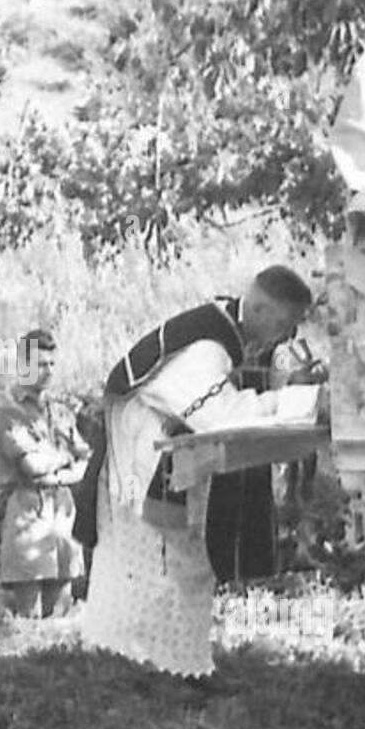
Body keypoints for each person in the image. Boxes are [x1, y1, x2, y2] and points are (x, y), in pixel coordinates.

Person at [79, 267, 322, 687]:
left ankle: (179, 665)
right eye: (282, 324)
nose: (285, 336)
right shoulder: (206, 347)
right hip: (140, 467)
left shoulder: (233, 330)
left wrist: (291, 388)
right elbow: (220, 415)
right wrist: (304, 401)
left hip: (170, 462)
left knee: (184, 563)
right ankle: (142, 672)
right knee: (159, 570)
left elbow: (245, 389)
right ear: (259, 308)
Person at [0, 329, 91, 617]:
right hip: (28, 509)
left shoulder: (60, 412)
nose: (47, 371)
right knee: (30, 612)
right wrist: (64, 458)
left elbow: (84, 460)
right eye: (39, 364)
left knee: (61, 608)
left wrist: (58, 472)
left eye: (51, 364)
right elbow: (31, 467)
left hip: (62, 509)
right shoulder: (9, 414)